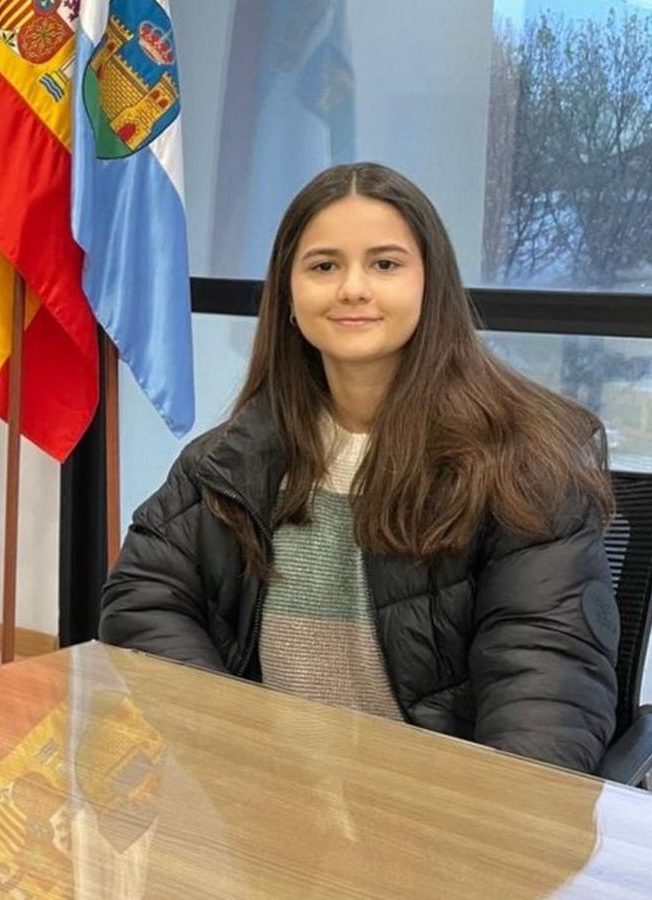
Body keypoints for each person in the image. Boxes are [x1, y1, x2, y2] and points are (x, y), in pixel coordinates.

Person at [100, 162, 618, 773]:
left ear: (432, 285)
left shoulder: (526, 462)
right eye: (323, 266)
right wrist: (231, 735)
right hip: (267, 805)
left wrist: (490, 834)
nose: (352, 288)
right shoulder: (226, 461)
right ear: (289, 295)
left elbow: (542, 684)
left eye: (385, 264)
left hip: (440, 817)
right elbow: (143, 599)